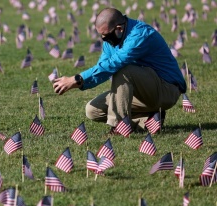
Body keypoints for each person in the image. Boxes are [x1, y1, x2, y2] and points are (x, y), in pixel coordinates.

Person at [52, 7, 186, 133]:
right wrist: (81, 82)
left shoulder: (139, 35)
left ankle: (119, 127)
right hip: (143, 93)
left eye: (106, 35)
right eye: (101, 36)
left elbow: (115, 63)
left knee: (124, 69)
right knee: (92, 110)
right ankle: (148, 119)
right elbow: (102, 67)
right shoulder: (111, 40)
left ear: (119, 29)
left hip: (166, 90)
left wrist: (77, 79)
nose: (104, 39)